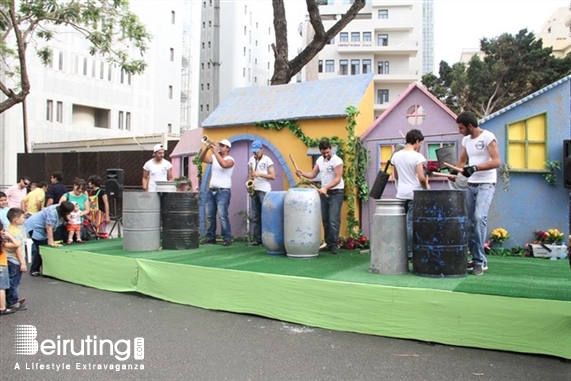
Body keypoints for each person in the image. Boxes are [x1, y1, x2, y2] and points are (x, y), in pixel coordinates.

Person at [454, 111, 501, 276]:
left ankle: (480, 261)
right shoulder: (466, 140)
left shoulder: (488, 137)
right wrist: (455, 173)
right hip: (470, 184)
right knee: (468, 223)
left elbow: (496, 161)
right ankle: (476, 259)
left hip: (486, 184)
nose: (459, 130)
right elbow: (461, 162)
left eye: (461, 127)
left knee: (479, 217)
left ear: (470, 126)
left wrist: (475, 167)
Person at [296, 139, 344, 254]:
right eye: (323, 153)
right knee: (325, 219)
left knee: (333, 219)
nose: (326, 154)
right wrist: (302, 173)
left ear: (331, 149)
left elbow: (337, 179)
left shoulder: (337, 161)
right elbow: (312, 174)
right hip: (324, 192)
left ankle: (334, 244)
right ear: (320, 151)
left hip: (336, 192)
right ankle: (328, 242)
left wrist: (326, 188)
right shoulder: (319, 160)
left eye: (327, 152)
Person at [391, 129, 430, 259]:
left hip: (400, 194)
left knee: (400, 224)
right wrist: (426, 186)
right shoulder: (417, 157)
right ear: (417, 141)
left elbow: (395, 176)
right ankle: (410, 253)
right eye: (420, 144)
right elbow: (421, 178)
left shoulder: (396, 156)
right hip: (414, 194)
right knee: (411, 224)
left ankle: (400, 251)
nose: (420, 146)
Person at [199, 139, 235, 246]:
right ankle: (210, 237)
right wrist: (206, 148)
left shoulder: (231, 159)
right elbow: (201, 159)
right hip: (211, 190)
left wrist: (214, 151)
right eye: (220, 145)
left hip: (223, 191)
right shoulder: (214, 157)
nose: (220, 147)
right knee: (210, 215)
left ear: (228, 148)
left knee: (222, 215)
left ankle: (227, 237)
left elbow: (224, 164)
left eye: (223, 146)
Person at [25, 201, 75, 277]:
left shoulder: (61, 207)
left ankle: (47, 269)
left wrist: (69, 219)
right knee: (42, 248)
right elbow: (49, 228)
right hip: (35, 226)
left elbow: (64, 217)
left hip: (43, 228)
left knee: (44, 247)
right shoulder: (53, 213)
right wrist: (51, 242)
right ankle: (34, 270)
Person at [247, 141, 276, 246]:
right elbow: (250, 174)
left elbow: (273, 176)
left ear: (261, 149)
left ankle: (268, 239)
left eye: (256, 151)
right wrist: (249, 183)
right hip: (254, 189)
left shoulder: (267, 160)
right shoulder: (251, 160)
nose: (255, 153)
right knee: (255, 216)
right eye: (253, 151)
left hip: (264, 190)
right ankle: (257, 239)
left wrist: (259, 174)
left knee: (266, 215)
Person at [4, 208, 27, 311]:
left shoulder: (8, 230)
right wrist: (22, 263)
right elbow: (17, 248)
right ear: (16, 220)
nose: (24, 219)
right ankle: (13, 302)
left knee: (11, 280)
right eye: (22, 217)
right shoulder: (16, 232)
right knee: (14, 282)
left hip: (9, 259)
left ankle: (12, 299)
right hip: (15, 260)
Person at [0, 221, 15, 315]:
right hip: (1, 266)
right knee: (1, 288)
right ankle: (2, 308)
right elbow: (16, 245)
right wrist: (10, 236)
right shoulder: (2, 243)